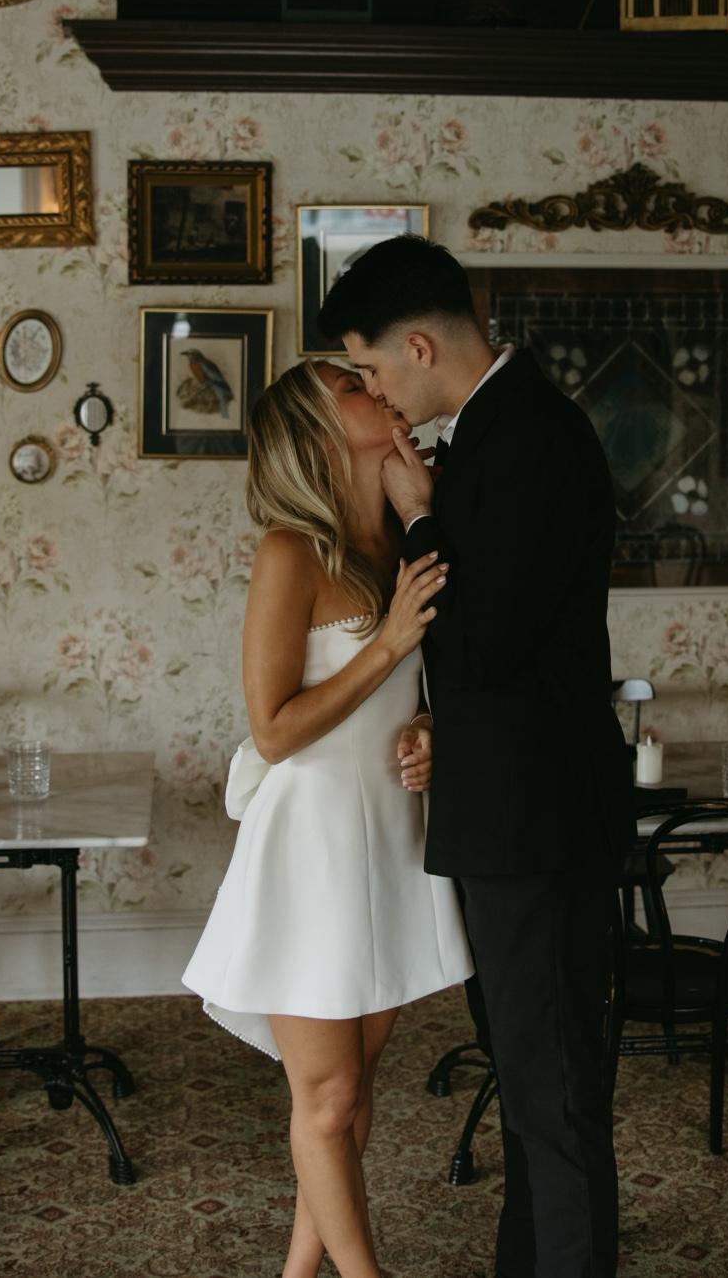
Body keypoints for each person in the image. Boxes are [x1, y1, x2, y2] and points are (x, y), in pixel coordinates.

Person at [317, 235, 631, 1278]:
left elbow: (484, 641)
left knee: (555, 1095)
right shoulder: (496, 433)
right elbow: (500, 649)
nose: (372, 391)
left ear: (417, 346)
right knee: (528, 1081)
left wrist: (418, 517)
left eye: (370, 369)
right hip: (507, 808)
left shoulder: (532, 438)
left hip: (539, 816)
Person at [182, 359, 474, 1278]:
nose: (374, 385)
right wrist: (385, 644)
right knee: (327, 1092)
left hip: (387, 837)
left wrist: (428, 729)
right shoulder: (289, 553)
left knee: (352, 1091)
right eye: (350, 385)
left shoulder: (404, 540)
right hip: (308, 848)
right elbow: (273, 730)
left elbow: (427, 686)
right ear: (316, 428)